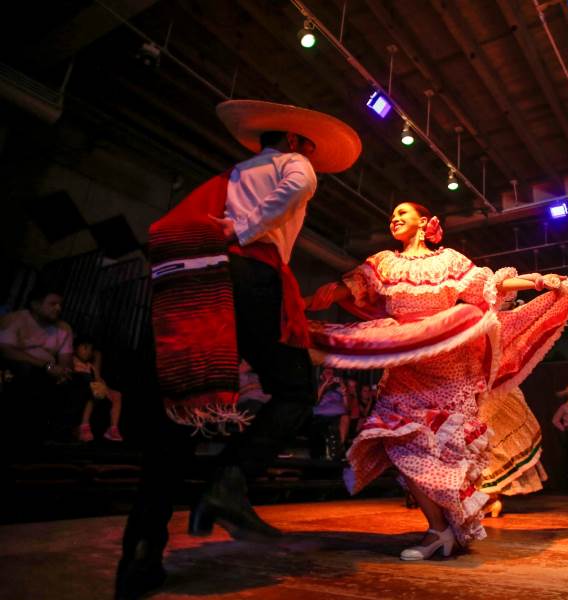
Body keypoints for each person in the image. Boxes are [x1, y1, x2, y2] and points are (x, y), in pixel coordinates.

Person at [115, 99, 361, 600]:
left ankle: (140, 555)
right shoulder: (293, 164)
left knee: (183, 411)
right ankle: (230, 480)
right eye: (307, 148)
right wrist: (246, 230)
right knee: (294, 391)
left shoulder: (232, 176)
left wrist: (233, 226)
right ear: (292, 140)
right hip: (251, 274)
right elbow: (302, 184)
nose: (311, 159)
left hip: (200, 277)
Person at [305, 201, 568, 560]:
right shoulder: (382, 263)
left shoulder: (449, 260)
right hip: (406, 364)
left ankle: (441, 531)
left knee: (442, 448)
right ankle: (440, 529)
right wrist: (302, 303)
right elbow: (346, 289)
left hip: (449, 365)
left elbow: (489, 286)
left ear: (423, 222)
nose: (394, 218)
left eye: (402, 213)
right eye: (391, 214)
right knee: (396, 441)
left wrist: (536, 281)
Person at [0, 285, 74, 444]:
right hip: (21, 366)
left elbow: (66, 359)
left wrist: (63, 372)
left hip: (49, 370)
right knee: (27, 372)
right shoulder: (15, 319)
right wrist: (46, 366)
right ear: (35, 304)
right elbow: (6, 350)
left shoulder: (64, 328)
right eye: (52, 304)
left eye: (60, 304)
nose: (58, 308)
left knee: (76, 380)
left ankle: (58, 438)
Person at [479, 385, 547, 517]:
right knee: (490, 447)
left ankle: (490, 500)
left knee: (485, 446)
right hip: (495, 393)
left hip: (489, 395)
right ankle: (492, 500)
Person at [72, 336, 124, 442]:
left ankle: (113, 429)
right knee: (95, 390)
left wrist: (106, 390)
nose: (87, 351)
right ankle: (84, 425)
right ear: (75, 348)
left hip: (96, 388)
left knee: (117, 394)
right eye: (84, 348)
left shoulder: (90, 366)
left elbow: (98, 379)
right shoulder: (72, 360)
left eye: (90, 349)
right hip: (84, 389)